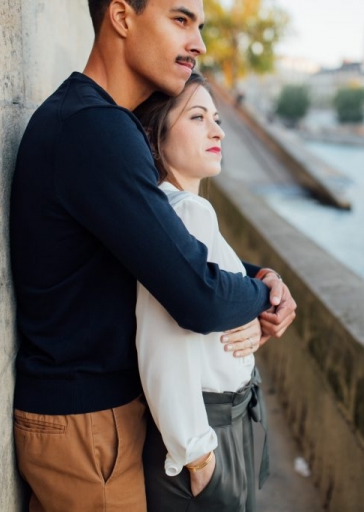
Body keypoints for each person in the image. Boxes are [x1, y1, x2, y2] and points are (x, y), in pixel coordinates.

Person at [8, 1, 296, 510]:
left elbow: (167, 253)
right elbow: (199, 298)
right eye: (180, 20)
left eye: (200, 27)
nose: (200, 44)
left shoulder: (98, 125)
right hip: (88, 429)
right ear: (122, 17)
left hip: (98, 420)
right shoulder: (94, 130)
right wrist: (256, 295)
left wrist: (263, 281)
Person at [134, 74, 269, 512]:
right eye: (197, 117)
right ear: (156, 135)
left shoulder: (181, 211)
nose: (218, 130)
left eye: (215, 118)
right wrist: (199, 456)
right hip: (206, 435)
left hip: (220, 426)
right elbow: (162, 345)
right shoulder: (186, 213)